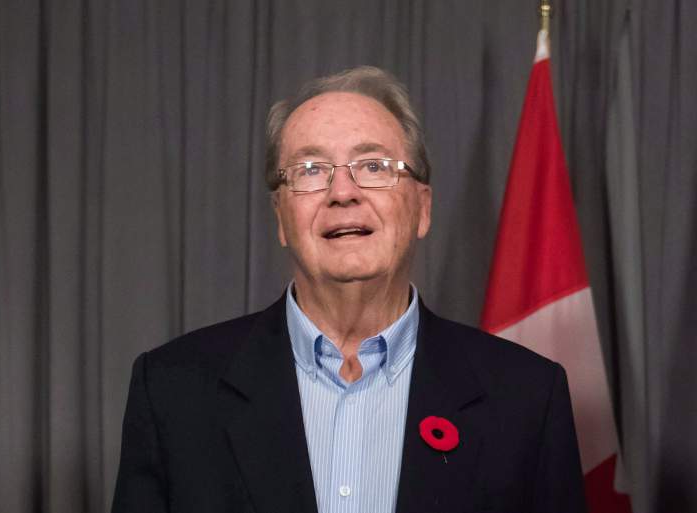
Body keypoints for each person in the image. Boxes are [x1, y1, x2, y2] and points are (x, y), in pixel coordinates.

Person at [111, 66, 586, 513]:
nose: (342, 192)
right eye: (310, 169)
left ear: (422, 209)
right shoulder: (172, 391)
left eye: (374, 165)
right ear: (281, 218)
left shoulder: (527, 398)